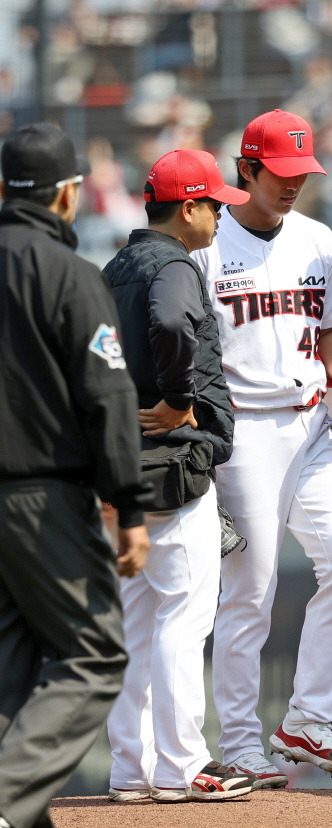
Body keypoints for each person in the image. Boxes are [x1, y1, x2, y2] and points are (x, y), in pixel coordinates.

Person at [193, 108, 332, 788]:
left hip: (310, 425)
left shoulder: (316, 238)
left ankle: (305, 719)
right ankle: (239, 742)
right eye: (282, 171)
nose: (295, 182)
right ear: (247, 169)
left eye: (304, 170)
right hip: (243, 434)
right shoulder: (207, 244)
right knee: (251, 591)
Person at [0, 122, 151, 828]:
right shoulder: (70, 274)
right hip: (41, 496)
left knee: (16, 668)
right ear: (67, 196)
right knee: (93, 655)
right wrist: (130, 506)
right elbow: (108, 396)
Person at [102, 148, 257, 803]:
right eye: (215, 203)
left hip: (118, 460)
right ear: (187, 206)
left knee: (137, 620)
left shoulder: (113, 265)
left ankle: (131, 770)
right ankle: (182, 765)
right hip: (170, 460)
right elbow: (169, 322)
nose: (222, 214)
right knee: (182, 616)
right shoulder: (172, 263)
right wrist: (175, 396)